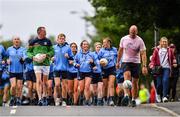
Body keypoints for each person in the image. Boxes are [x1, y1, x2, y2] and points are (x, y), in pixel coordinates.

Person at [116, 25, 148, 107]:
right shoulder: (124, 39)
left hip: (136, 62)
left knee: (135, 82)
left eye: (134, 33)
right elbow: (120, 51)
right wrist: (118, 62)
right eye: (131, 32)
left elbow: (143, 54)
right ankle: (126, 95)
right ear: (129, 31)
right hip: (126, 61)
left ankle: (133, 99)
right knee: (127, 76)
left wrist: (144, 66)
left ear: (136, 32)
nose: (132, 34)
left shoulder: (140, 40)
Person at [27, 26, 54, 106]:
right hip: (37, 64)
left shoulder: (48, 41)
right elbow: (28, 52)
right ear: (39, 32)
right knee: (38, 81)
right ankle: (40, 98)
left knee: (45, 82)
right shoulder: (33, 41)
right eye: (44, 31)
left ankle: (44, 96)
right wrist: (33, 57)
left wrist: (46, 55)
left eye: (45, 31)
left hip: (46, 64)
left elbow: (52, 51)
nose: (45, 32)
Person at [149, 37, 176, 103]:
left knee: (165, 80)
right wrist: (151, 65)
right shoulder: (157, 50)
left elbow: (173, 58)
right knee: (159, 84)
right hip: (159, 69)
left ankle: (164, 96)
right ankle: (158, 94)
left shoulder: (169, 50)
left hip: (167, 68)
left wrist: (174, 62)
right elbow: (153, 59)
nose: (164, 43)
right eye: (163, 41)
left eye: (165, 42)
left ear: (167, 43)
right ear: (160, 42)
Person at [53, 33, 73, 106]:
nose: (61, 40)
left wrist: (68, 57)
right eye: (60, 38)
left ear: (64, 40)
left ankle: (64, 100)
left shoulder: (68, 48)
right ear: (57, 40)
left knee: (64, 86)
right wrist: (52, 59)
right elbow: (50, 57)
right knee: (57, 85)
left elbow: (72, 59)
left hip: (65, 69)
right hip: (56, 68)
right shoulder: (54, 47)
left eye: (63, 39)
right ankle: (58, 98)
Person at [6, 36, 26, 106]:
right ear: (13, 41)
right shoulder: (9, 49)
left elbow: (25, 56)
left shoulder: (23, 49)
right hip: (12, 70)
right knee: (13, 86)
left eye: (18, 39)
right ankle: (12, 97)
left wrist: (23, 58)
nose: (16, 40)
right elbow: (5, 57)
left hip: (20, 70)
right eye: (15, 39)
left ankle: (18, 99)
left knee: (19, 86)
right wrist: (7, 60)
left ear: (19, 41)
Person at [74, 40, 94, 106]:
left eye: (86, 44)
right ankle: (81, 97)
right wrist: (76, 65)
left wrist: (92, 62)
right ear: (82, 46)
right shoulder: (78, 54)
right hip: (81, 72)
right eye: (84, 44)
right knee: (81, 88)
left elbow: (96, 63)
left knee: (87, 87)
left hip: (89, 72)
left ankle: (87, 100)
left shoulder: (91, 54)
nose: (85, 45)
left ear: (88, 46)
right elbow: (74, 62)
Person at [98, 37, 117, 106]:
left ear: (108, 43)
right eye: (103, 42)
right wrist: (100, 63)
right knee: (105, 86)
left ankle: (111, 99)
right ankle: (104, 98)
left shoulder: (114, 50)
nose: (103, 44)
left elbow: (119, 57)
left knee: (111, 84)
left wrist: (118, 64)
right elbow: (97, 59)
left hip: (112, 68)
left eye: (104, 42)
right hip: (104, 69)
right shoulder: (101, 51)